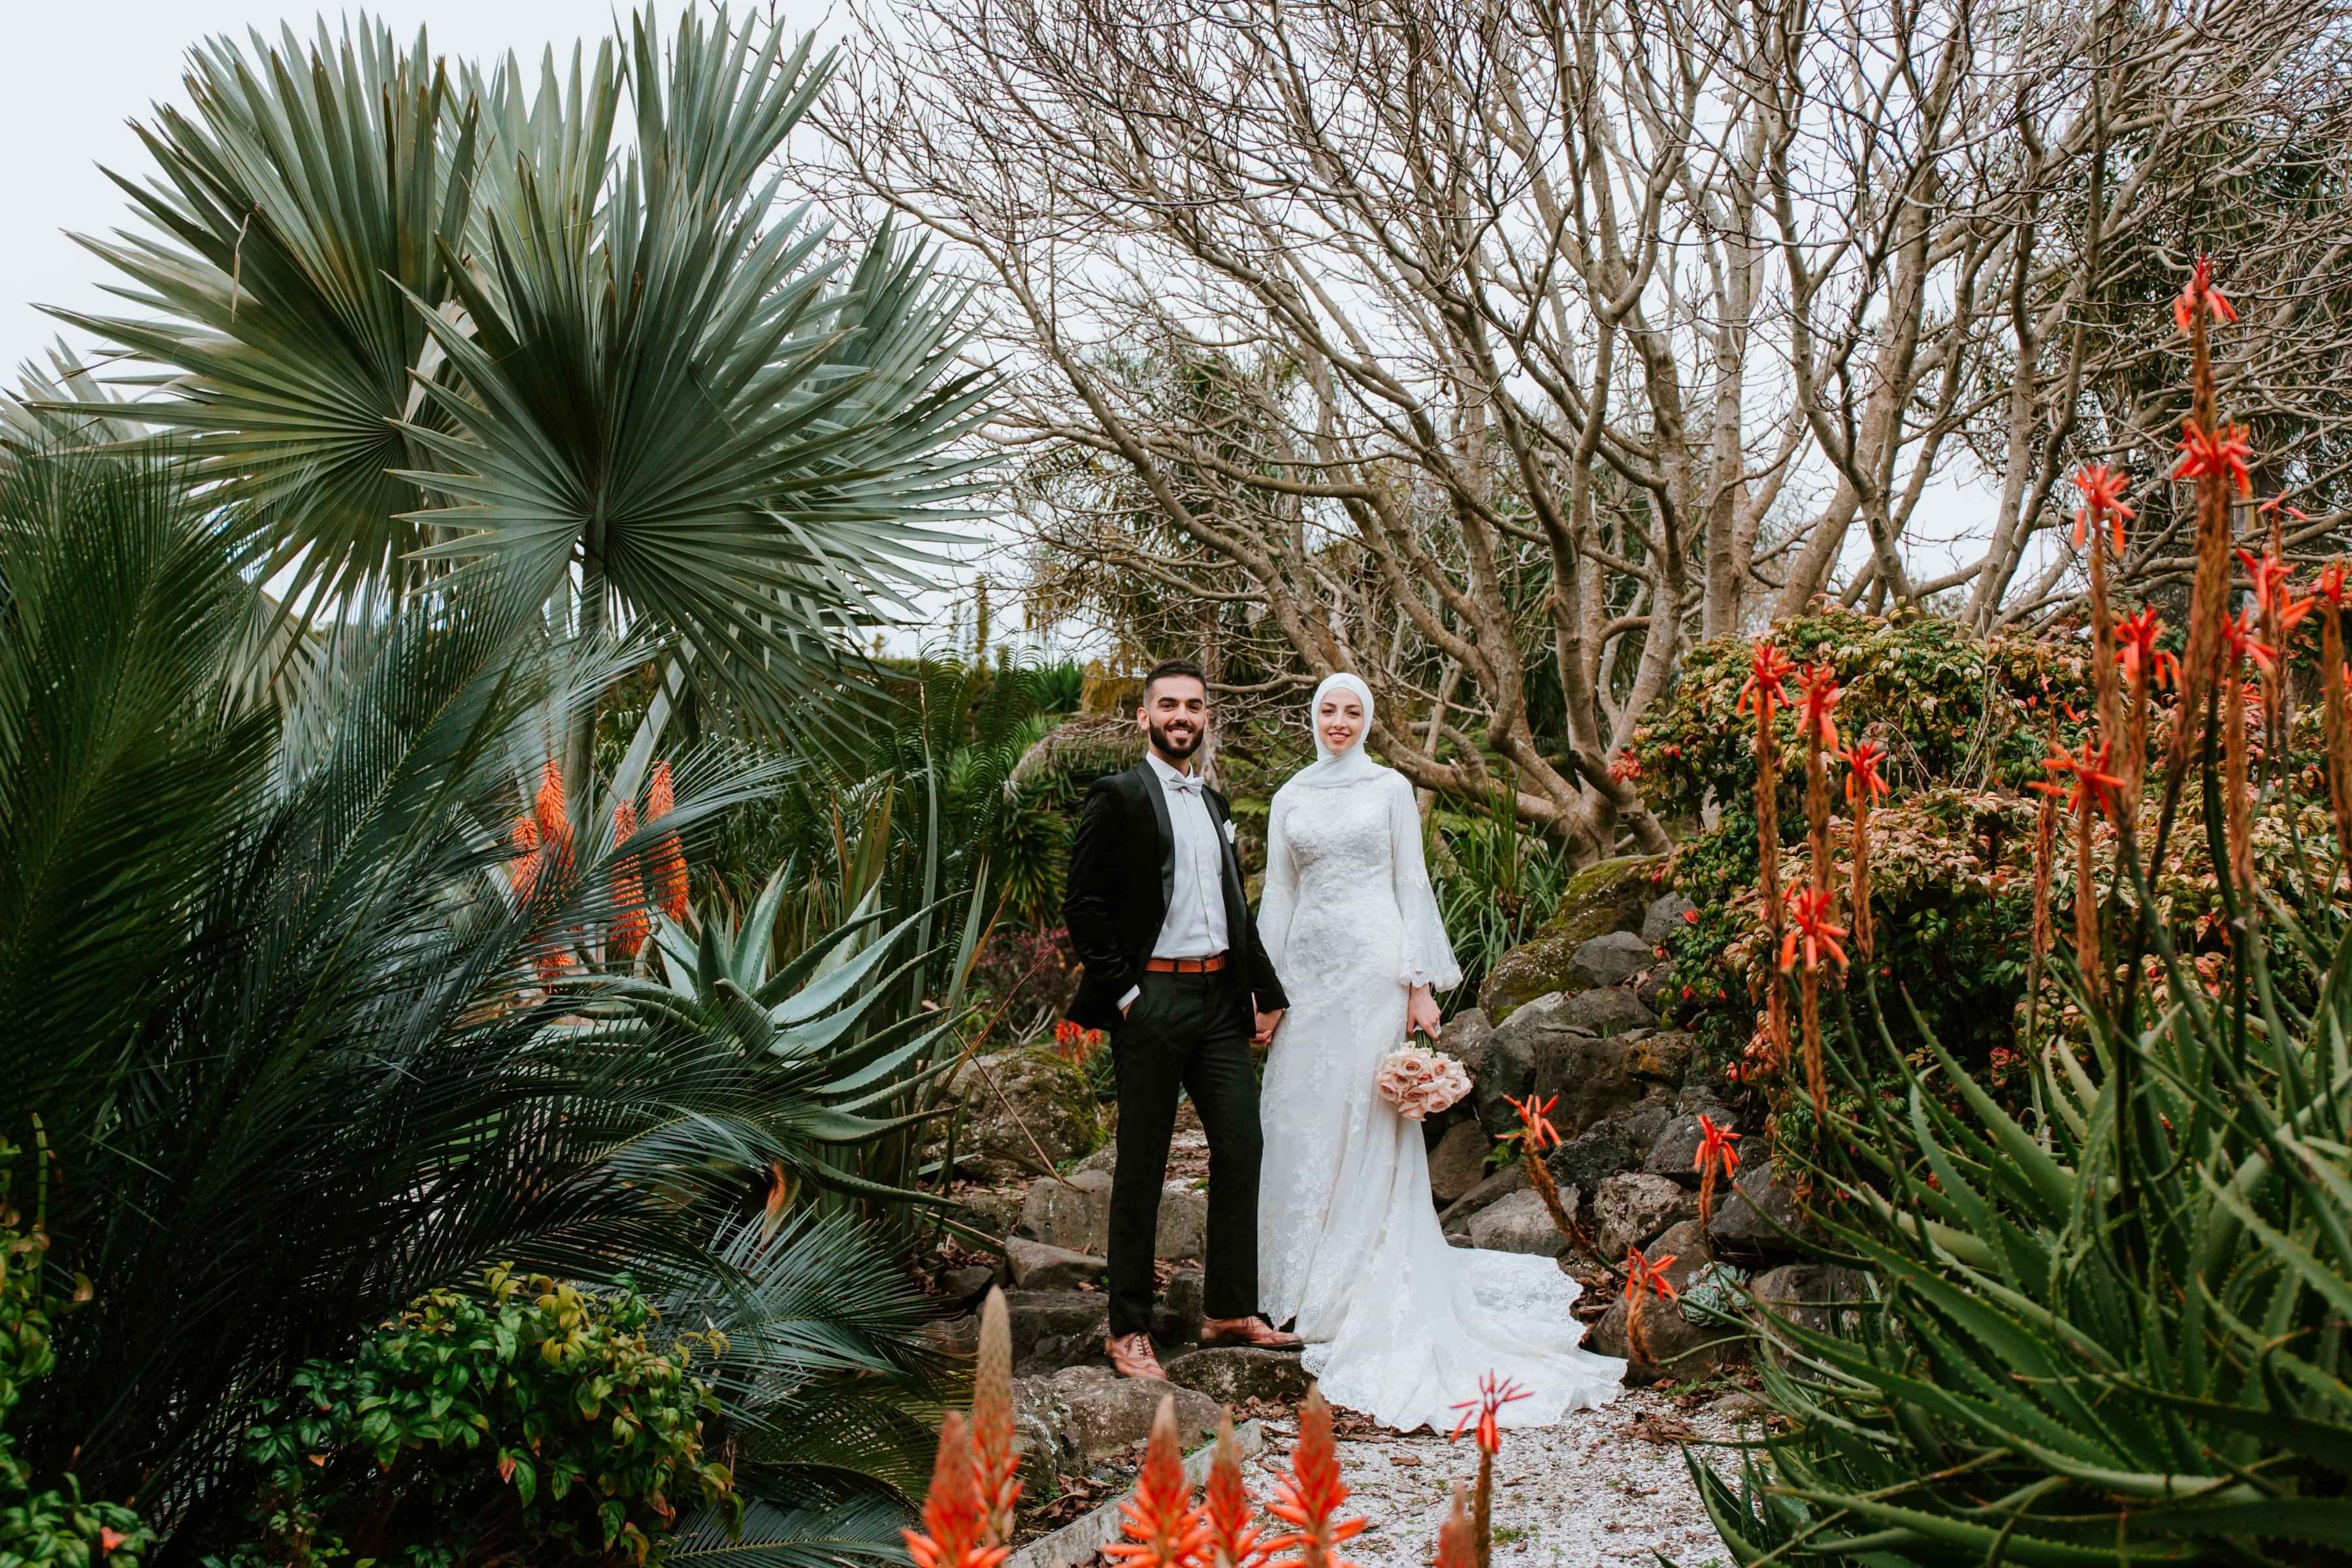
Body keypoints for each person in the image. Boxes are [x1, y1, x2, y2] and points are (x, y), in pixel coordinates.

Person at [1255, 672, 1625, 1431]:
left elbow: (1409, 881)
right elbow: (1279, 899)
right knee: (1296, 1113)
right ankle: (1287, 1280)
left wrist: (1418, 984)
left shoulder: (1390, 788)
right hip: (1306, 971)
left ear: (1368, 720)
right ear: (1311, 716)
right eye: (1328, 709)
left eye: (1353, 710)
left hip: (1370, 970)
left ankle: (1354, 1282)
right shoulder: (1290, 795)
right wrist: (1264, 992)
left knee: (1366, 1112)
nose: (1339, 720)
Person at [1061, 658, 1302, 1380]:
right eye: (1168, 705)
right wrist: (1127, 995)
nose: (1181, 716)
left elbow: (1234, 913)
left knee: (1242, 1145)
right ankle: (1127, 1328)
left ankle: (1229, 1307)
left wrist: (1266, 989)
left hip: (1219, 1003)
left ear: (1205, 718)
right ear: (1144, 717)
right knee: (1142, 1163)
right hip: (1153, 1001)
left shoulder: (1215, 805)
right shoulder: (1120, 796)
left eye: (1193, 706)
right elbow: (1083, 906)